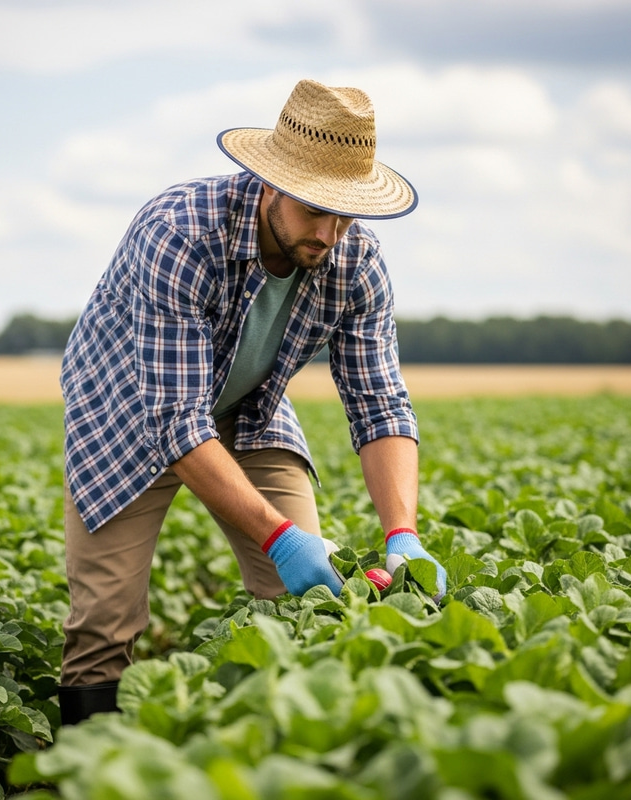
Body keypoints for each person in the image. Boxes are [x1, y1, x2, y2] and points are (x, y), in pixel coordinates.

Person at [58, 78, 447, 725]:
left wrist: (402, 534)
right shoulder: (180, 231)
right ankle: (85, 772)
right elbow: (176, 422)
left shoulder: (356, 263)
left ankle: (279, 749)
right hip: (127, 409)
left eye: (346, 213)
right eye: (314, 209)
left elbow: (382, 407)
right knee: (105, 621)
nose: (329, 232)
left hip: (250, 406)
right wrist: (278, 536)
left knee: (305, 603)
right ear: (271, 184)